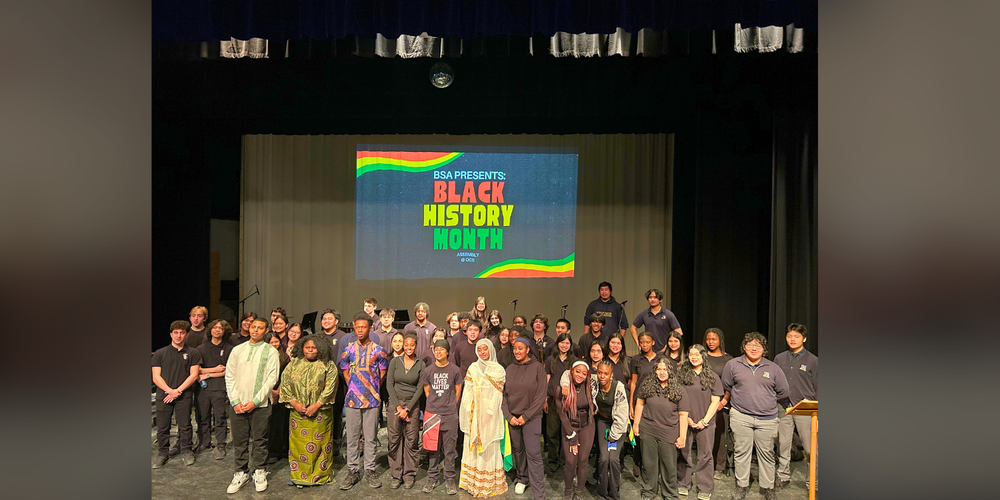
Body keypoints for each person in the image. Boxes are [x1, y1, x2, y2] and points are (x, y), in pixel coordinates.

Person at [722, 332, 789, 500]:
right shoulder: (733, 365)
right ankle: (741, 486)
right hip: (741, 416)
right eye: (750, 345)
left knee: (766, 454)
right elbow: (727, 385)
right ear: (743, 347)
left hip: (767, 419)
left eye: (758, 345)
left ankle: (768, 487)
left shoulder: (773, 368)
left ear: (764, 349)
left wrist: (765, 401)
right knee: (741, 452)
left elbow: (783, 391)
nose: (754, 348)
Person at [225, 317, 280, 494]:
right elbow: (229, 376)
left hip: (260, 405)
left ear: (266, 331)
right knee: (239, 441)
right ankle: (241, 472)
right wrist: (235, 401)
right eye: (253, 327)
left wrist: (255, 401)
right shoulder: (237, 350)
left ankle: (259, 471)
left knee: (260, 440)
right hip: (238, 404)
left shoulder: (271, 351)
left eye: (259, 328)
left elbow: (271, 379)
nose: (255, 330)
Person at [338, 312, 390, 490]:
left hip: (372, 400)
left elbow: (382, 373)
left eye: (363, 327)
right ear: (354, 328)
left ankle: (370, 470)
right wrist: (353, 386)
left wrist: (371, 387)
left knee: (370, 437)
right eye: (357, 327)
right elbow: (345, 370)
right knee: (352, 437)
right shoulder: (348, 350)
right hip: (352, 400)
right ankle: (352, 470)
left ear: (370, 328)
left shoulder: (378, 350)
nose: (360, 330)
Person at [279, 335, 339, 487]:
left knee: (321, 446)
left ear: (321, 348)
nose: (310, 350)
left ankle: (320, 476)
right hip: (297, 414)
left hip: (321, 413)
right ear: (302, 348)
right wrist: (295, 404)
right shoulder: (293, 365)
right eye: (307, 347)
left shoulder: (328, 365)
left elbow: (330, 387)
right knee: (298, 447)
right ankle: (299, 476)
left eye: (314, 348)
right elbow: (285, 385)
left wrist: (316, 405)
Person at [633, 357, 690, 500]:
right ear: (655, 370)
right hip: (648, 430)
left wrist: (682, 436)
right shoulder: (647, 385)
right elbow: (639, 403)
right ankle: (648, 491)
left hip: (668, 432)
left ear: (670, 371)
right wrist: (636, 424)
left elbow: (683, 415)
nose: (662, 372)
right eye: (659, 369)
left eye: (665, 369)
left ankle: (670, 494)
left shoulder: (679, 390)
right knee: (648, 464)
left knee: (669, 466)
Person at [458, 339, 508, 497]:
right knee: (473, 447)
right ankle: (471, 482)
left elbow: (497, 395)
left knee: (488, 446)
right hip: (474, 414)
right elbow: (467, 392)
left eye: (485, 349)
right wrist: (470, 412)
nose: (482, 353)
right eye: (479, 350)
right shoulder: (473, 368)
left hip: (490, 415)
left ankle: (487, 484)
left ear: (491, 350)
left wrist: (487, 414)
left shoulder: (498, 370)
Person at [152, 320, 203, 469]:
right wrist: (170, 391)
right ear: (171, 334)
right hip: (164, 394)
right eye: (176, 332)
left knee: (185, 425)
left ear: (186, 335)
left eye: (182, 333)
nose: (178, 336)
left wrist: (178, 391)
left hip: (184, 395)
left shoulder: (193, 353)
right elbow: (156, 376)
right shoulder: (160, 353)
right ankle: (163, 453)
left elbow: (194, 375)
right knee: (163, 426)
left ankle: (186, 450)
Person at [774, 323, 818, 491]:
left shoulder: (813, 361)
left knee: (810, 447)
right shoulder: (779, 359)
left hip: (805, 408)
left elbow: (818, 387)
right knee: (783, 444)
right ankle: (783, 476)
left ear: (804, 339)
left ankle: (812, 481)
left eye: (796, 337)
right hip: (784, 406)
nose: (792, 339)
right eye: (790, 336)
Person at [502, 336, 547, 499]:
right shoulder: (509, 368)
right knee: (518, 451)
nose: (517, 351)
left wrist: (526, 416)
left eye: (520, 348)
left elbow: (541, 396)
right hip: (513, 418)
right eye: (515, 348)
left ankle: (539, 493)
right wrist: (509, 416)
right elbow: (503, 395)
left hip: (532, 418)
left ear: (528, 350)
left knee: (533, 454)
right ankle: (522, 478)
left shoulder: (537, 368)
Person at [677, 345, 724, 499]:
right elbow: (677, 398)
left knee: (705, 455)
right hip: (686, 419)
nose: (694, 357)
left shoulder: (712, 377)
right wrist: (686, 418)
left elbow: (715, 402)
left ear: (703, 356)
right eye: (691, 354)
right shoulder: (682, 375)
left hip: (706, 422)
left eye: (697, 354)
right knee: (684, 452)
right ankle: (683, 483)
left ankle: (704, 488)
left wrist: (704, 421)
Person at [420, 339, 464, 495]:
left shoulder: (455, 370)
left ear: (447, 352)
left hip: (450, 414)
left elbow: (457, 392)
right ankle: (432, 478)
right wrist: (436, 405)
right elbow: (427, 391)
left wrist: (448, 405)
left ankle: (450, 479)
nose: (438, 352)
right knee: (432, 449)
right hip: (432, 413)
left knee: (450, 449)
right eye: (436, 349)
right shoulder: (428, 370)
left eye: (441, 349)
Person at [386, 333, 426, 490]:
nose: (409, 347)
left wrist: (408, 409)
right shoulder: (395, 362)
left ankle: (409, 474)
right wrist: (398, 407)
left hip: (412, 405)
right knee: (394, 439)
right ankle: (396, 475)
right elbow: (389, 384)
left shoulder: (420, 364)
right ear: (403, 345)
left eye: (412, 345)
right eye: (406, 344)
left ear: (415, 346)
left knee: (412, 440)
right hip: (395, 404)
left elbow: (420, 388)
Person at [556, 361, 596, 500]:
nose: (580, 375)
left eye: (584, 373)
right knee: (570, 461)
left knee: (583, 460)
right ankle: (568, 491)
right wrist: (571, 435)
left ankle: (579, 492)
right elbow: (562, 414)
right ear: (571, 371)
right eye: (577, 371)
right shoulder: (562, 389)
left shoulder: (589, 387)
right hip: (569, 426)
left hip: (587, 426)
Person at [196, 319, 235, 460]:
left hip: (220, 387)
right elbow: (197, 369)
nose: (217, 330)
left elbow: (228, 370)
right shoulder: (201, 348)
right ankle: (204, 442)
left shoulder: (230, 349)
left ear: (225, 331)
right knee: (203, 416)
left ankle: (220, 444)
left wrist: (207, 374)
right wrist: (214, 370)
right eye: (215, 327)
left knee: (220, 417)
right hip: (203, 388)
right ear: (210, 330)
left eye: (220, 328)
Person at [593, 360, 629, 500]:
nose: (602, 376)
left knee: (613, 459)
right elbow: (570, 373)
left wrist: (613, 434)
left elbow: (622, 415)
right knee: (603, 459)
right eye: (599, 372)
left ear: (611, 375)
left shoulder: (618, 387)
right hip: (602, 422)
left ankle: (614, 493)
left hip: (618, 425)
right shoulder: (593, 382)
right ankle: (602, 492)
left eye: (606, 373)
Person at [629, 331, 662, 479]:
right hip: (639, 400)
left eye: (647, 342)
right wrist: (631, 404)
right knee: (638, 434)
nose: (644, 345)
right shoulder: (636, 360)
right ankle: (638, 466)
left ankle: (653, 468)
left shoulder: (660, 359)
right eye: (642, 342)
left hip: (655, 400)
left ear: (653, 342)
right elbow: (633, 382)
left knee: (653, 434)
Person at [703, 328, 733, 479]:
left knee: (720, 434)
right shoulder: (702, 356)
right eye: (708, 339)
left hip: (721, 402)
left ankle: (720, 466)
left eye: (714, 339)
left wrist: (724, 400)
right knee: (704, 435)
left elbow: (730, 383)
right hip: (703, 402)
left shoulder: (727, 359)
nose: (711, 342)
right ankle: (704, 465)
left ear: (720, 340)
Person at [545, 332, 577, 473]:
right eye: (562, 342)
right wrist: (545, 398)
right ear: (557, 343)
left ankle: (566, 460)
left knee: (567, 431)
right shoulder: (550, 359)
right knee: (552, 432)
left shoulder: (574, 361)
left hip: (569, 401)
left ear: (570, 345)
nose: (564, 345)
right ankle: (553, 460)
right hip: (553, 400)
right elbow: (547, 379)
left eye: (567, 343)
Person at [318, 308, 348, 457]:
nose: (326, 321)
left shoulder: (343, 337)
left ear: (336, 321)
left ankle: (335, 441)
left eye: (329, 318)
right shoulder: (317, 337)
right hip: (319, 382)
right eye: (324, 319)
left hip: (338, 381)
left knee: (336, 411)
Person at [629, 289, 682, 354]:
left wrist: (668, 345)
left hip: (664, 351)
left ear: (660, 300)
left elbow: (679, 331)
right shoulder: (644, 313)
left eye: (655, 297)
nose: (652, 299)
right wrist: (638, 343)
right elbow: (633, 328)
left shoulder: (668, 314)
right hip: (648, 351)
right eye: (650, 297)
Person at [266, 332, 292, 464]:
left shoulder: (284, 357)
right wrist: (270, 391)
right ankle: (268, 451)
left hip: (281, 393)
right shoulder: (262, 356)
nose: (274, 344)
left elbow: (286, 376)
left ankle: (280, 450)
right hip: (265, 393)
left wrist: (278, 391)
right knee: (268, 424)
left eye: (276, 341)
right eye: (271, 342)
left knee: (280, 423)